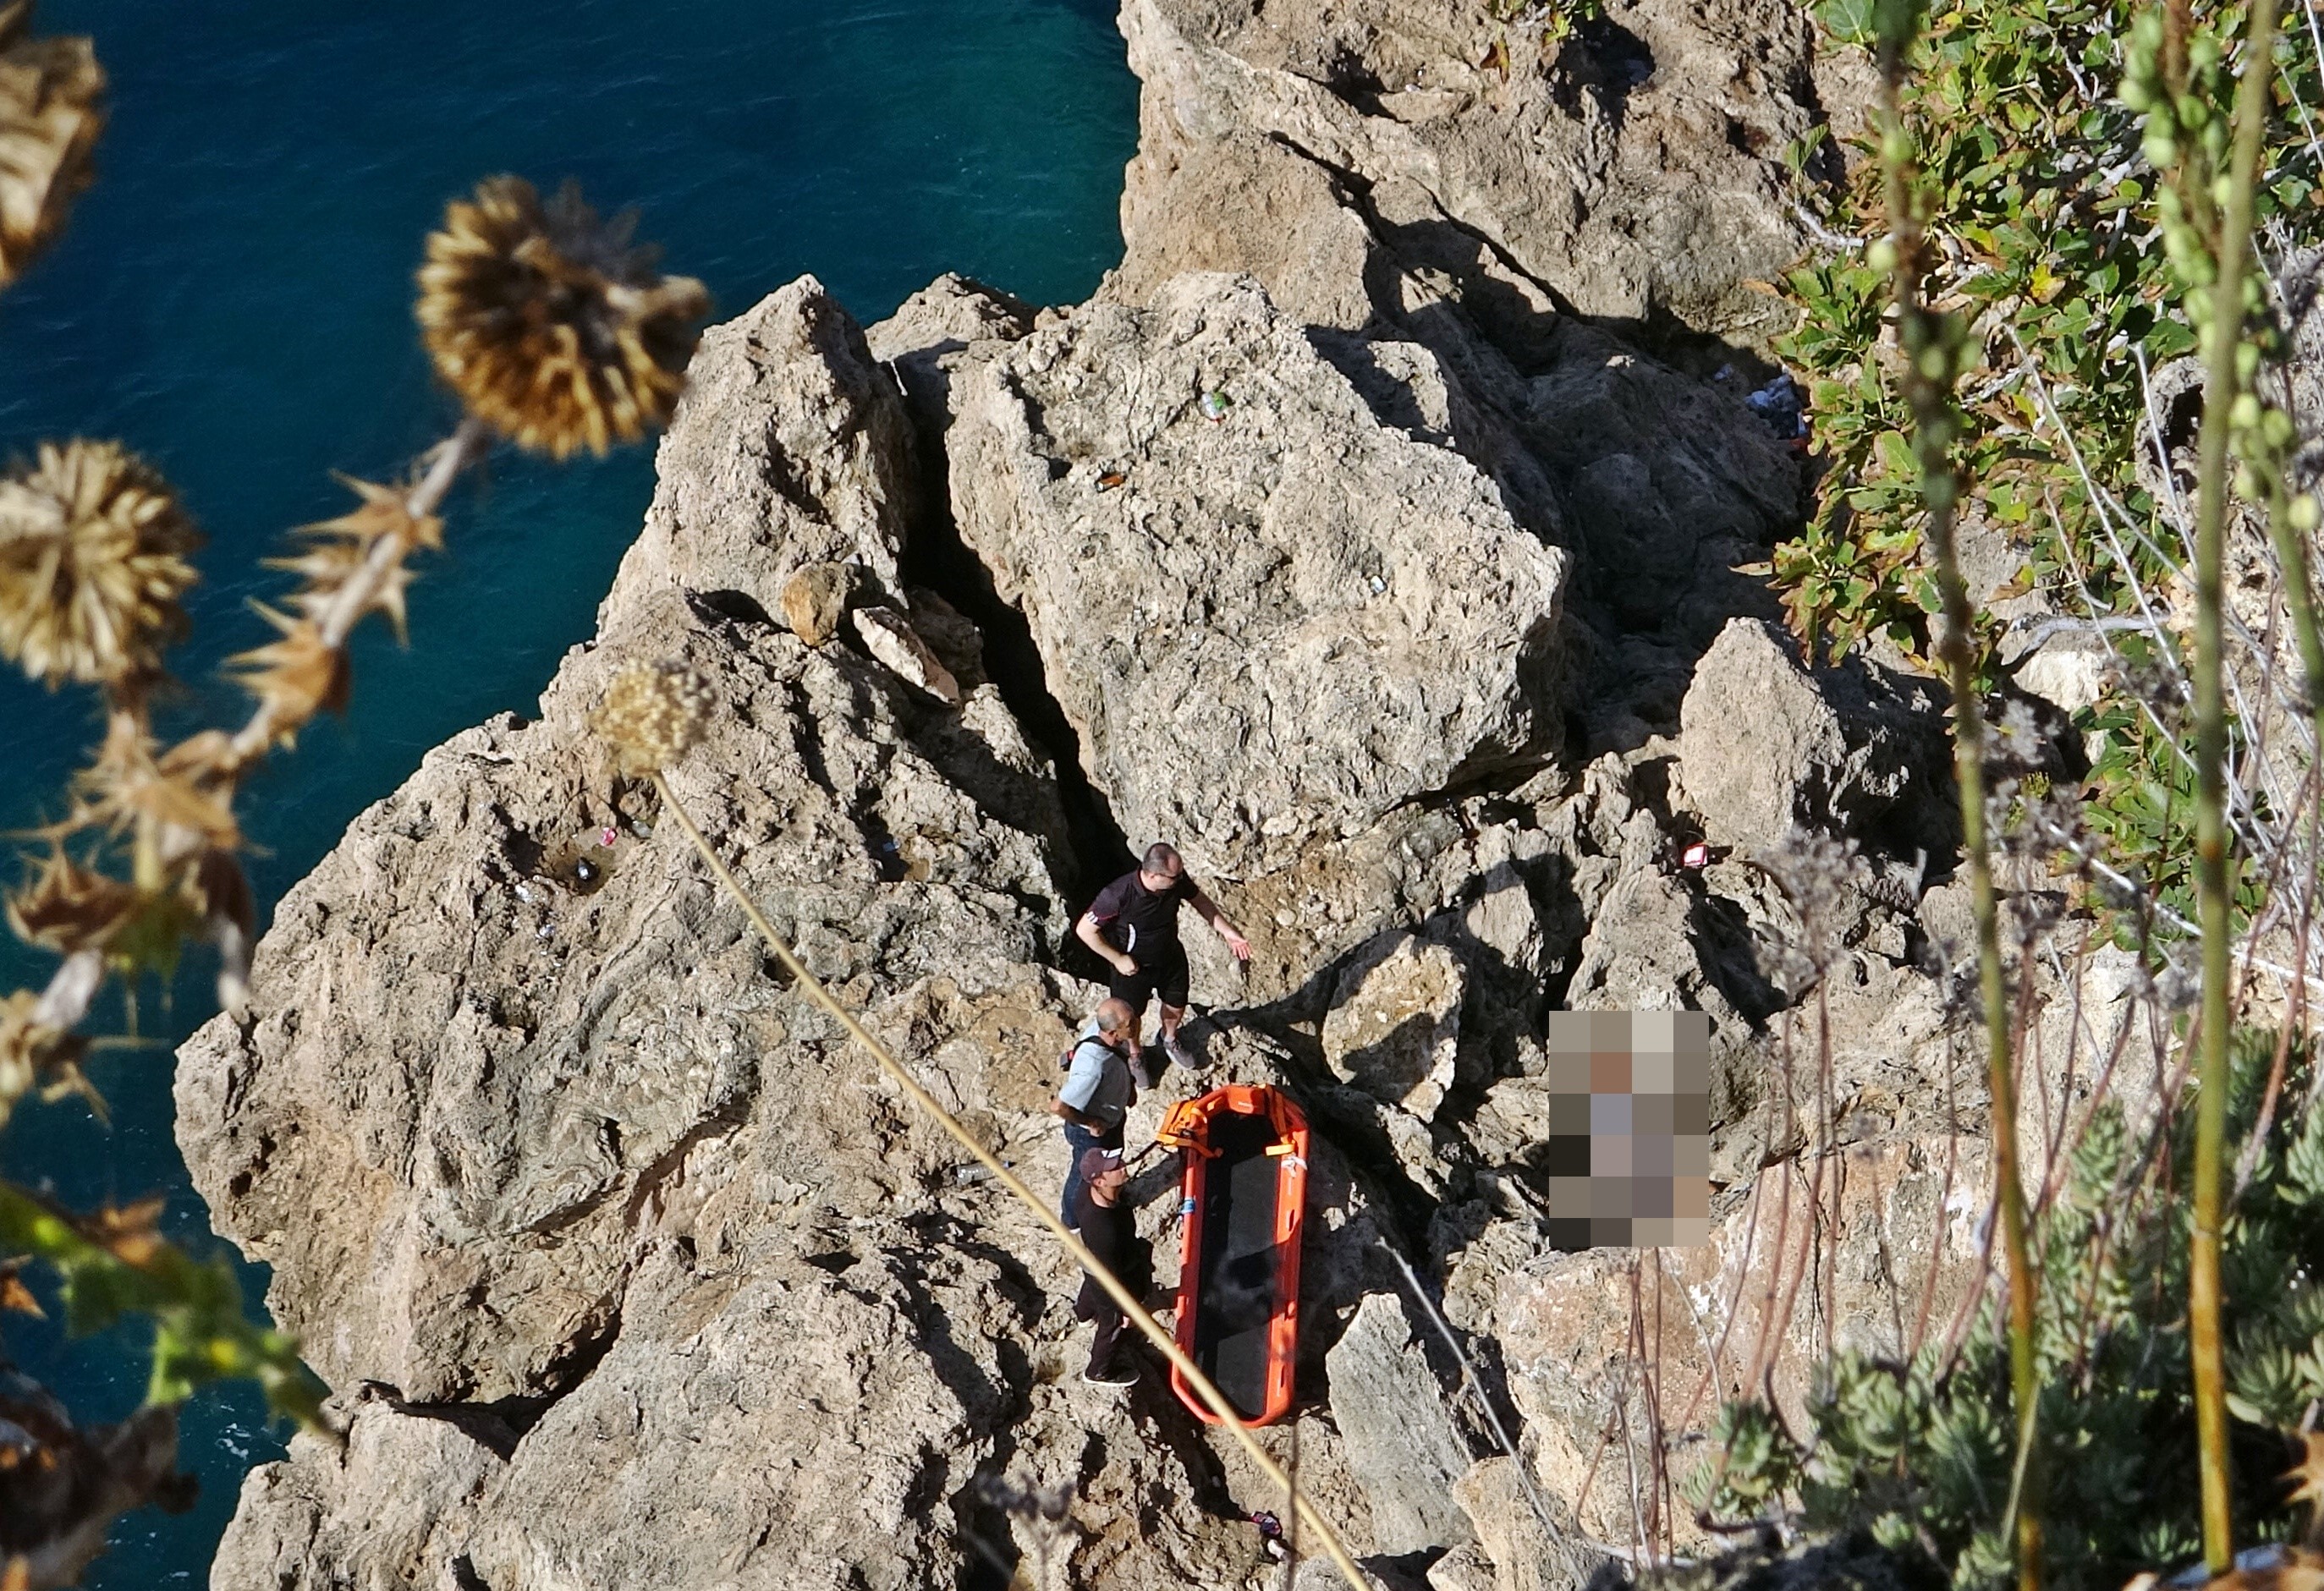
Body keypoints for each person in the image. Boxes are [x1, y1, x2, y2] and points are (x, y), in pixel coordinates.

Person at [1074, 842, 1250, 1078]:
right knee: (1131, 1017)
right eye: (1174, 876)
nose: (1180, 879)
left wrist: (1228, 932)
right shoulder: (1117, 895)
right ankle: (1135, 1053)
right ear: (1154, 875)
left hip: (1170, 956)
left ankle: (1169, 1038)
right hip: (1133, 967)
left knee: (1176, 1003)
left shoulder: (1175, 882)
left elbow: (1199, 900)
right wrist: (1117, 959)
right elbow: (1085, 930)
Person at [1051, 997, 1138, 1227]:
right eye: (1130, 1023)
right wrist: (1091, 1122)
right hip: (1091, 1134)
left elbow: (1120, 1058)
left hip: (1112, 1118)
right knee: (1083, 1175)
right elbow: (1058, 1106)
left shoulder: (1104, 1033)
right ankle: (1071, 1222)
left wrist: (1129, 1088)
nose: (1136, 1024)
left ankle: (1113, 1190)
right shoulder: (1093, 1067)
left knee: (1113, 1159)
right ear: (1112, 1032)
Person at [1070, 1145, 1141, 1385]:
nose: (1123, 1166)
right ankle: (1098, 1371)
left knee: (1091, 1284)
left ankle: (1083, 1314)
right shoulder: (1104, 1230)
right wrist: (1125, 1309)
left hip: (1093, 1261)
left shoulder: (1088, 1191)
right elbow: (1111, 1279)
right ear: (1100, 1181)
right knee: (1113, 1322)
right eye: (1115, 1167)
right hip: (1107, 1273)